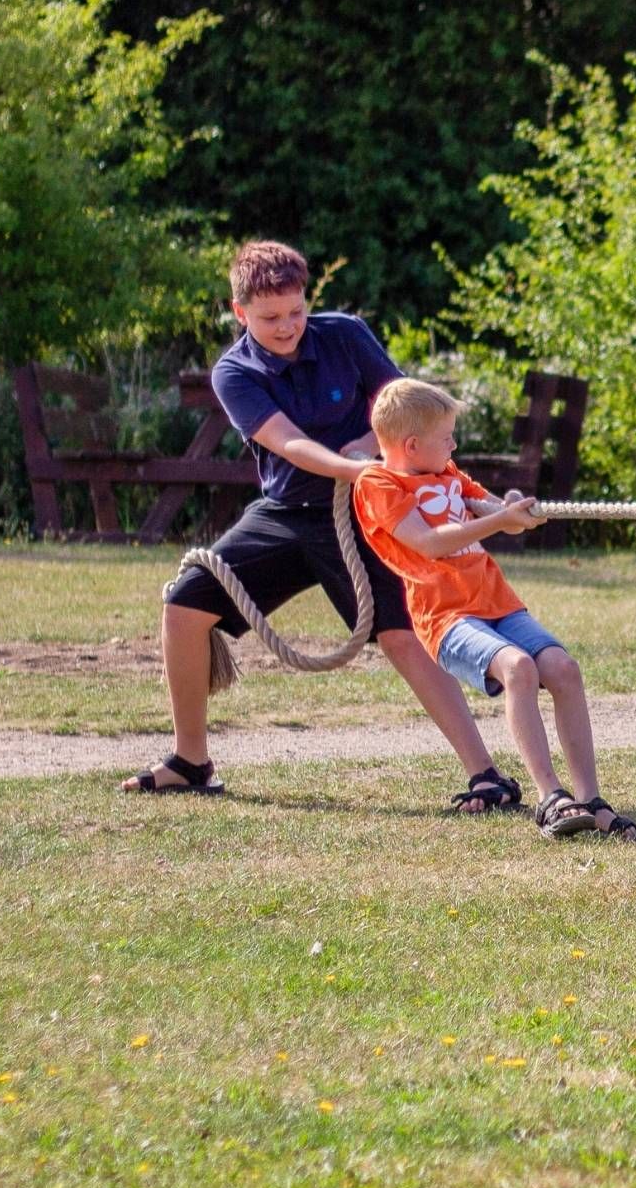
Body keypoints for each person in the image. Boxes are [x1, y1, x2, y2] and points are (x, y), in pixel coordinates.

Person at [122, 241, 507, 808]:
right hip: (286, 512)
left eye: (296, 312)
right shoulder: (233, 373)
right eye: (270, 318)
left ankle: (487, 776)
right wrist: (356, 464)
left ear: (309, 301)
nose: (287, 327)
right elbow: (291, 444)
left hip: (372, 511)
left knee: (401, 634)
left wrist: (372, 467)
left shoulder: (346, 335)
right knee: (185, 604)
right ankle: (191, 761)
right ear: (240, 313)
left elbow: (407, 414)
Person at [351, 379, 636, 841]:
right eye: (446, 435)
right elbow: (427, 543)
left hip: (497, 602)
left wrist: (510, 509)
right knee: (519, 668)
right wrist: (499, 520)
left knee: (563, 668)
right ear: (411, 445)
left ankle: (591, 800)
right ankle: (551, 798)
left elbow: (485, 505)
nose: (453, 444)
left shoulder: (447, 471)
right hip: (446, 618)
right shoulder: (377, 483)